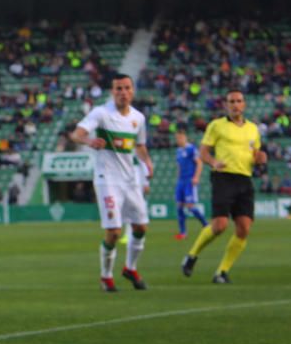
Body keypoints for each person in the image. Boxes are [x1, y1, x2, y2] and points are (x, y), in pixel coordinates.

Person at [70, 73, 154, 292]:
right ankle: (106, 276)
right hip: (107, 180)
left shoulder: (139, 118)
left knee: (140, 227)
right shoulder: (101, 113)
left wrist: (147, 162)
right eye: (118, 89)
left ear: (133, 91)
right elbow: (76, 134)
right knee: (115, 232)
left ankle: (130, 268)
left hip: (131, 179)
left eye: (127, 88)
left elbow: (140, 146)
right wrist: (89, 141)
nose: (123, 92)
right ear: (112, 91)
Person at [181, 89, 267, 284]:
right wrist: (213, 162)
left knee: (244, 228)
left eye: (239, 101)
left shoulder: (253, 129)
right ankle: (192, 255)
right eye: (231, 101)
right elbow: (203, 153)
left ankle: (222, 272)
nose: (235, 104)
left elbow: (256, 155)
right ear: (226, 105)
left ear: (244, 104)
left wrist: (261, 158)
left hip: (245, 179)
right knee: (220, 225)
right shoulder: (217, 126)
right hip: (223, 177)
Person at [173, 130, 207, 240]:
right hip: (181, 181)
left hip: (189, 180)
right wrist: (178, 179)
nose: (178, 140)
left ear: (184, 137)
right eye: (177, 138)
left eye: (180, 138)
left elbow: (199, 163)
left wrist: (196, 177)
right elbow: (179, 165)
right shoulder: (178, 151)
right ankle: (183, 232)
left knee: (190, 207)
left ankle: (206, 225)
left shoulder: (191, 149)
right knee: (179, 206)